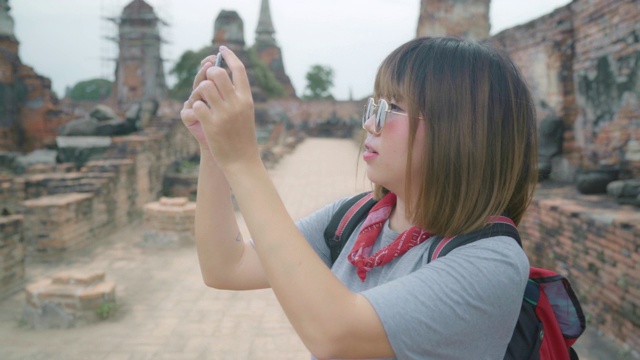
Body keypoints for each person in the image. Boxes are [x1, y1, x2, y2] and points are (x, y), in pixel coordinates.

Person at [180, 37, 538, 359]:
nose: (370, 124)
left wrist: (242, 160)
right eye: (374, 107)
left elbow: (336, 335)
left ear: (459, 131)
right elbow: (227, 266)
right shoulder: (355, 218)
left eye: (392, 109)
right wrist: (213, 151)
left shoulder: (491, 261)